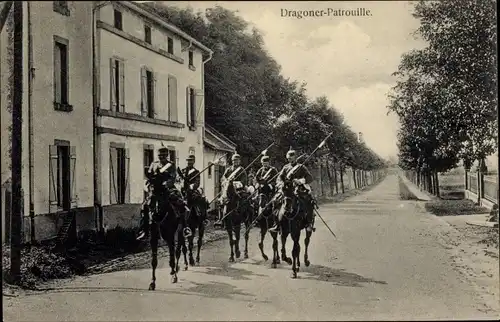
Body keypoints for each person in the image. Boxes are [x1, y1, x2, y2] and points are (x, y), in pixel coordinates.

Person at [137, 147, 188, 241]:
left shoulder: (170, 165)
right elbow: (149, 176)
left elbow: (172, 178)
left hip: (166, 190)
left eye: (164, 155)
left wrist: (166, 184)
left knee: (179, 204)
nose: (162, 157)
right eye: (160, 155)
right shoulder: (153, 164)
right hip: (155, 190)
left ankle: (185, 228)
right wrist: (149, 184)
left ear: (167, 155)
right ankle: (145, 231)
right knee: (144, 206)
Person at [268, 148, 315, 234]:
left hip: (299, 189)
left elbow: (310, 178)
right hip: (287, 190)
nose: (290, 160)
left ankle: (308, 223)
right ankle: (277, 224)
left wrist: (300, 181)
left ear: (295, 158)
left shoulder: (301, 167)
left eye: (292, 158)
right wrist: (281, 184)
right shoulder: (285, 167)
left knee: (309, 201)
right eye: (289, 159)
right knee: (275, 200)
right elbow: (279, 178)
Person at [215, 153, 248, 225]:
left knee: (243, 201)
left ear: (239, 161)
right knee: (220, 201)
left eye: (237, 160)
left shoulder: (242, 170)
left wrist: (234, 184)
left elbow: (244, 181)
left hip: (238, 190)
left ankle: (242, 218)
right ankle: (220, 218)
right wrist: (226, 182)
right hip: (227, 189)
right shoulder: (228, 169)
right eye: (234, 160)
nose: (235, 162)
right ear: (232, 161)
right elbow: (223, 178)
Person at [181, 154, 209, 227]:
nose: (189, 162)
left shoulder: (196, 172)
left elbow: (197, 182)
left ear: (194, 161)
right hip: (183, 191)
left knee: (201, 200)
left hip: (191, 191)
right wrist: (181, 184)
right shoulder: (183, 171)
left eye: (191, 161)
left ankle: (203, 218)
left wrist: (191, 186)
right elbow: (179, 180)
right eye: (188, 160)